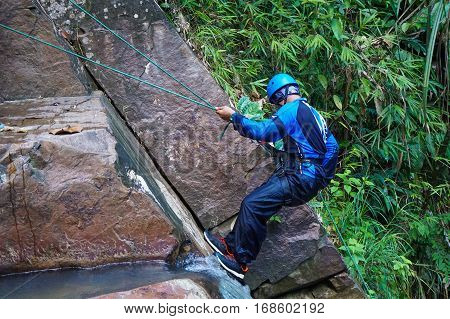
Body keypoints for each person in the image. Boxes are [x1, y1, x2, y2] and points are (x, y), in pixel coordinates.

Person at [204, 74, 339, 279]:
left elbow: (263, 131)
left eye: (277, 101)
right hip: (303, 178)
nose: (277, 107)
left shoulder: (291, 110)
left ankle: (240, 263)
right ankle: (230, 246)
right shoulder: (315, 114)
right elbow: (332, 147)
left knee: (253, 205)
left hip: (298, 177)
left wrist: (234, 116)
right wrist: (320, 180)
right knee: (259, 206)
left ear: (283, 95)